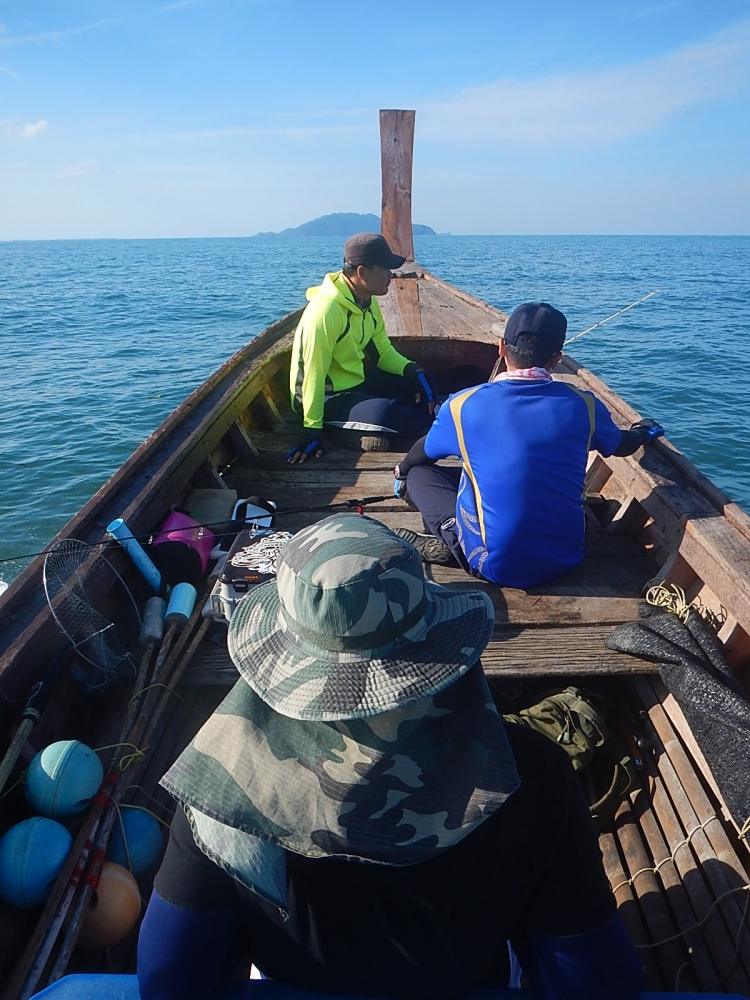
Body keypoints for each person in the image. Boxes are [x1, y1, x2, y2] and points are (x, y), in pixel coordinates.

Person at [137, 514, 641, 1000]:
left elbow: (168, 979)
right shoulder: (531, 772)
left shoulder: (222, 771)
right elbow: (592, 985)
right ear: (438, 634)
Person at [392, 302, 664, 587]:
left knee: (419, 475)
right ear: (557, 358)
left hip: (496, 567)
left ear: (501, 347)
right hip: (568, 557)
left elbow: (422, 453)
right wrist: (644, 432)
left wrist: (401, 472)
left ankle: (452, 538)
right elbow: (621, 444)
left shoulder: (461, 405)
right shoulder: (584, 405)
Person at [286, 233, 438, 463]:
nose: (391, 275)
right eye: (386, 269)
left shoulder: (366, 301)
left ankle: (372, 433)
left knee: (418, 381)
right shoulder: (326, 312)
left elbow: (383, 353)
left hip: (356, 384)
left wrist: (414, 371)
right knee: (384, 413)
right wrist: (312, 431)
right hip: (324, 399)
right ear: (362, 273)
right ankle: (345, 431)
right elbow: (312, 376)